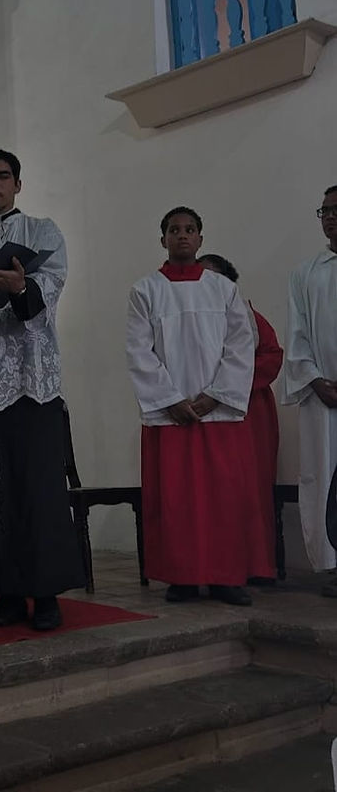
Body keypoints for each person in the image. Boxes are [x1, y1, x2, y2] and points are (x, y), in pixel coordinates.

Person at [0, 149, 84, 632]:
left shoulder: (42, 231)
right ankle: (6, 593)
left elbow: (51, 290)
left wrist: (21, 285)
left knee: (39, 492)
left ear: (18, 184)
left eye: (3, 177)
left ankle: (45, 595)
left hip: (33, 384)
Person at [127, 206, 270, 606]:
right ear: (163, 240)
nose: (182, 236)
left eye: (190, 229)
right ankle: (183, 578)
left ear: (201, 238)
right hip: (173, 417)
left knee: (224, 498)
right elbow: (139, 351)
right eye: (174, 230)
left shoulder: (223, 290)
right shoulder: (145, 290)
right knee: (177, 501)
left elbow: (241, 346)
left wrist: (214, 396)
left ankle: (227, 577)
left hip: (217, 413)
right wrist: (171, 400)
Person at [198, 254, 282, 582]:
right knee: (208, 493)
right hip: (203, 413)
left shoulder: (249, 317)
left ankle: (254, 565)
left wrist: (230, 385)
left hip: (249, 413)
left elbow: (272, 356)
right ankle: (209, 566)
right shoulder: (185, 319)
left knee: (249, 489)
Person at [283, 185, 337, 594]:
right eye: (324, 210)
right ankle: (335, 564)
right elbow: (297, 334)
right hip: (324, 394)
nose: (330, 217)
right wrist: (316, 380)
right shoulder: (306, 272)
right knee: (324, 474)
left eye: (335, 209)